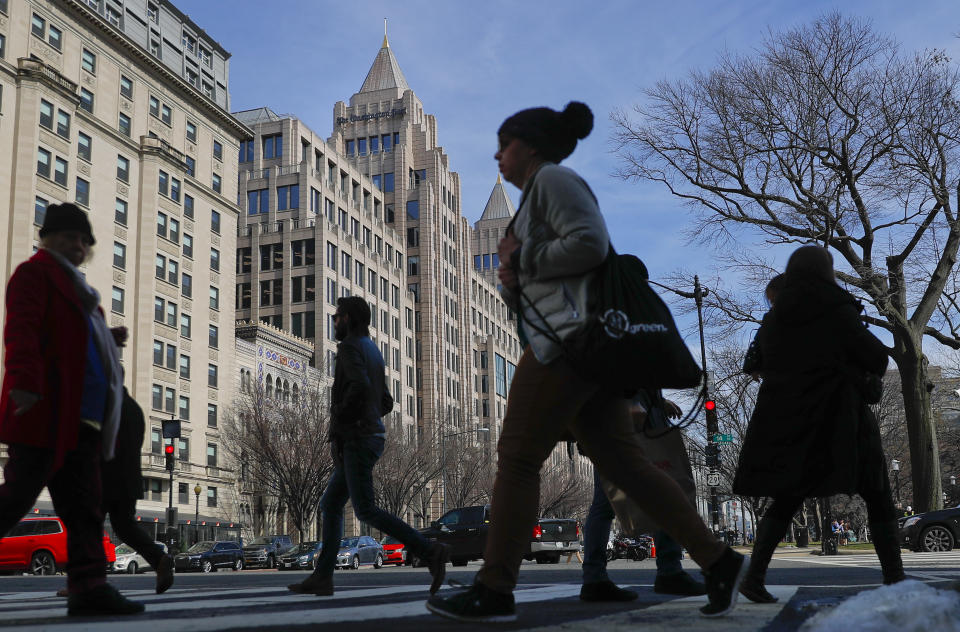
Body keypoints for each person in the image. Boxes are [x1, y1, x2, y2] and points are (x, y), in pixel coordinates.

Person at [426, 102, 747, 624]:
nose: (496, 155)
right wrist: (515, 276)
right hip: (579, 350)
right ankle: (718, 560)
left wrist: (521, 261)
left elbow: (591, 245)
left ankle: (493, 587)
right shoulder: (536, 196)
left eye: (503, 144)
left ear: (528, 147)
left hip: (566, 348)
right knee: (627, 468)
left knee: (517, 459)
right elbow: (541, 279)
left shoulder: (553, 180)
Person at [733, 245, 905, 604]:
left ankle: (755, 575)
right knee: (876, 493)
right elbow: (874, 355)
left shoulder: (773, 320)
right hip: (841, 416)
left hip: (789, 420)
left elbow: (757, 363)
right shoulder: (835, 310)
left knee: (787, 496)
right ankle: (894, 578)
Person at [0, 203, 143, 616]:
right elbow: (22, 330)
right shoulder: (34, 274)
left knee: (85, 508)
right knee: (15, 499)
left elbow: (75, 340)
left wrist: (107, 337)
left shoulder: (83, 295)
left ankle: (89, 587)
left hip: (83, 421)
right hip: (44, 413)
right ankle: (89, 586)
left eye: (84, 240)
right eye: (70, 237)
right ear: (49, 238)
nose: (78, 245)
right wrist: (24, 383)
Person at [288, 296, 450, 597]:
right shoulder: (374, 351)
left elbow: (362, 389)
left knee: (365, 509)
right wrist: (368, 416)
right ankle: (322, 576)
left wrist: (343, 418)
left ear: (348, 319)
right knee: (331, 504)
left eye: (337, 316)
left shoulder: (350, 347)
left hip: (358, 438)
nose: (334, 321)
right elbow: (385, 401)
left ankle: (429, 549)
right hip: (369, 436)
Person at [579, 395, 706, 602]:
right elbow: (624, 371)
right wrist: (644, 400)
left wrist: (656, 400)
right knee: (660, 496)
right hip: (628, 418)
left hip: (618, 419)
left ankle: (594, 577)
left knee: (606, 504)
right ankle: (669, 571)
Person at [55, 388, 174, 598]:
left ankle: (85, 581)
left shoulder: (106, 405)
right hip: (128, 479)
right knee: (124, 526)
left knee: (87, 525)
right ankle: (158, 558)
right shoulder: (134, 409)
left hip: (106, 474)